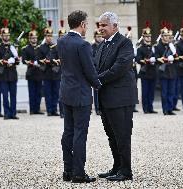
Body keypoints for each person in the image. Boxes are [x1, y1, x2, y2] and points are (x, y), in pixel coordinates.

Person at [58, 10, 101, 183]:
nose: (87, 28)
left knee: (68, 132)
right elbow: (89, 70)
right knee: (79, 134)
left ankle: (67, 170)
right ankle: (78, 173)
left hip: (66, 92)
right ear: (82, 24)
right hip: (81, 94)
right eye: (86, 24)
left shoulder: (61, 41)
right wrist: (99, 85)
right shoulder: (83, 45)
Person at [96, 12, 138, 181]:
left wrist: (97, 79)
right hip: (106, 98)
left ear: (115, 26)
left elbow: (119, 68)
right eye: (99, 25)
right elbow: (95, 66)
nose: (101, 28)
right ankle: (117, 166)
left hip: (120, 99)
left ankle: (126, 171)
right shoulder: (103, 45)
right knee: (111, 135)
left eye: (104, 25)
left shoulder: (125, 43)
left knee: (122, 135)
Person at [0, 19, 20, 120]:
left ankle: (13, 113)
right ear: (2, 36)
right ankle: (7, 114)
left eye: (8, 35)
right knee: (5, 96)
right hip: (3, 74)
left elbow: (17, 62)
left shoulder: (12, 47)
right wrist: (5, 62)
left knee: (13, 96)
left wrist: (15, 59)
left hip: (12, 74)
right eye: (5, 35)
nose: (6, 37)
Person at [154, 21, 177, 115]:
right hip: (163, 71)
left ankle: (170, 109)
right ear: (162, 36)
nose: (167, 37)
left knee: (171, 92)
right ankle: (165, 109)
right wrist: (165, 59)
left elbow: (176, 57)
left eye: (168, 36)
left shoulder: (171, 46)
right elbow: (156, 58)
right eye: (165, 36)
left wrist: (173, 56)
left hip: (171, 71)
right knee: (164, 93)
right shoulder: (158, 47)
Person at [38, 20, 60, 116]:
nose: (49, 38)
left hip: (55, 72)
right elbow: (39, 60)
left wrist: (56, 61)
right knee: (48, 93)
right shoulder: (41, 48)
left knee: (56, 92)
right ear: (45, 36)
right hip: (46, 72)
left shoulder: (56, 47)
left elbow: (60, 58)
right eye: (47, 36)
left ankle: (54, 110)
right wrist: (49, 61)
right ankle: (49, 110)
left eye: (51, 36)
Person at [135, 21, 158, 114]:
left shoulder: (153, 47)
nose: (148, 38)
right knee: (145, 92)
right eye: (147, 37)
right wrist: (147, 60)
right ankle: (145, 108)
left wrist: (154, 59)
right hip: (145, 72)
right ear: (143, 37)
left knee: (152, 91)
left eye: (149, 37)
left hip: (152, 71)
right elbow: (138, 60)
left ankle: (150, 107)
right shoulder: (140, 48)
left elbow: (157, 57)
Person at [22, 23, 44, 115]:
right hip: (31, 73)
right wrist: (32, 63)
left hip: (39, 72)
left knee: (39, 92)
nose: (34, 39)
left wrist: (40, 62)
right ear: (29, 39)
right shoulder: (26, 49)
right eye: (32, 38)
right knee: (32, 92)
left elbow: (43, 58)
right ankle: (32, 109)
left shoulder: (40, 48)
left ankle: (37, 109)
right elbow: (24, 60)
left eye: (35, 38)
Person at [91, 22, 104, 115]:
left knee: (103, 90)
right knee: (96, 91)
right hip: (95, 71)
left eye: (101, 36)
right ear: (95, 37)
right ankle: (97, 108)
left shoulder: (103, 46)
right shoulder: (92, 47)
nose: (100, 38)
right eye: (98, 36)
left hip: (103, 71)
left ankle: (102, 107)